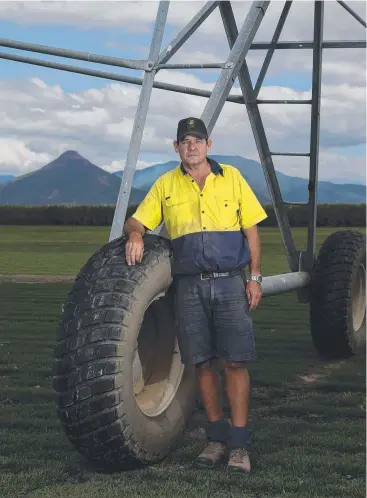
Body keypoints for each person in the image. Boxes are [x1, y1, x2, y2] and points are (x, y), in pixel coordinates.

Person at [124, 117, 267, 474]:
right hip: (189, 287)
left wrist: (254, 278)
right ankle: (216, 439)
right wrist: (136, 235)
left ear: (209, 144)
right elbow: (138, 219)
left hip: (230, 283)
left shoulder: (231, 177)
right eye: (185, 141)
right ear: (176, 147)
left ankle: (238, 445)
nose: (192, 146)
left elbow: (251, 231)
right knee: (200, 363)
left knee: (235, 362)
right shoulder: (165, 184)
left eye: (197, 140)